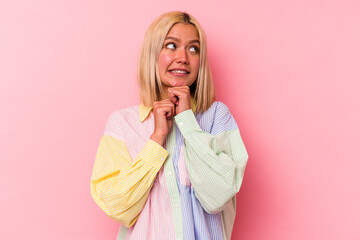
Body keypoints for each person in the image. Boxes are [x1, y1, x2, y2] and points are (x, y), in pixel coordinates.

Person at [90, 11, 248, 240]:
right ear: (153, 54)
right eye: (171, 45)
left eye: (194, 49)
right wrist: (156, 139)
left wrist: (187, 122)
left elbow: (219, 195)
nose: (183, 57)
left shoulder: (216, 117)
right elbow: (117, 206)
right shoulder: (123, 123)